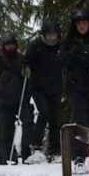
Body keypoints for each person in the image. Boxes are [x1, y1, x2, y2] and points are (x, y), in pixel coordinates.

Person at [60, 8, 89, 166]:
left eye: (84, 23)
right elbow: (61, 62)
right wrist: (73, 53)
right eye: (79, 23)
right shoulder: (69, 41)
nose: (82, 26)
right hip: (76, 86)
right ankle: (80, 153)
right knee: (81, 121)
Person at [0, 32, 33, 165]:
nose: (10, 48)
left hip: (20, 100)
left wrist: (25, 71)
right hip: (2, 101)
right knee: (6, 130)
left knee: (28, 122)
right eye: (7, 45)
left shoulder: (21, 59)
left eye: (12, 45)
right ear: (3, 46)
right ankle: (10, 156)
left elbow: (29, 77)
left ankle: (27, 153)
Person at [24, 20, 63, 160]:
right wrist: (26, 68)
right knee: (44, 113)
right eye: (49, 35)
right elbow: (25, 60)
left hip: (55, 87)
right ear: (44, 35)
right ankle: (36, 146)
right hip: (38, 87)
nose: (52, 38)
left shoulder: (60, 46)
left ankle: (55, 149)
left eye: (54, 35)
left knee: (54, 118)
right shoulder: (36, 46)